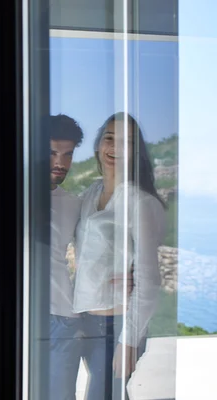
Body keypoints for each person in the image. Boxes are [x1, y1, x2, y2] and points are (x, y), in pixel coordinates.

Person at [72, 112, 166, 399]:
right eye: (109, 137)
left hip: (117, 326)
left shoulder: (140, 202)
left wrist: (128, 342)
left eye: (125, 141)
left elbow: (149, 281)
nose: (114, 147)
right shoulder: (90, 193)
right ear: (99, 144)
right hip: (85, 321)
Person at [46, 114, 84, 400]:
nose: (61, 163)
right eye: (51, 153)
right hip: (15, 316)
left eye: (68, 154)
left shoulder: (73, 204)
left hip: (62, 320)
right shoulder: (5, 192)